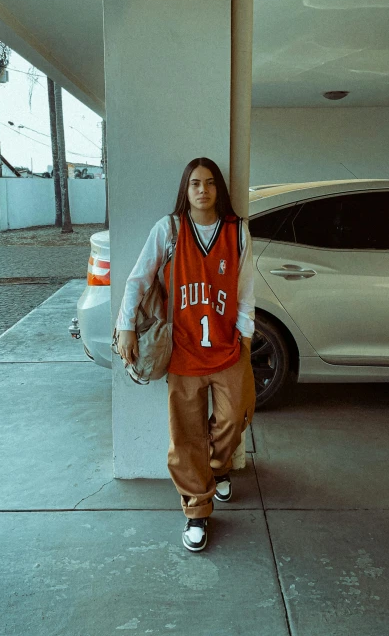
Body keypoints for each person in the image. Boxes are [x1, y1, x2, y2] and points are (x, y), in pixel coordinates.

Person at [116, 157, 255, 552]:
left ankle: (217, 468)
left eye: (210, 183)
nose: (203, 190)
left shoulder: (237, 231)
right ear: (186, 189)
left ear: (219, 189)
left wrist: (245, 343)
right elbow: (138, 279)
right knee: (186, 434)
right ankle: (196, 509)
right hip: (183, 351)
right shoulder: (170, 229)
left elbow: (245, 294)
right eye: (195, 183)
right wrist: (126, 325)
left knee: (235, 418)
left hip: (227, 349)